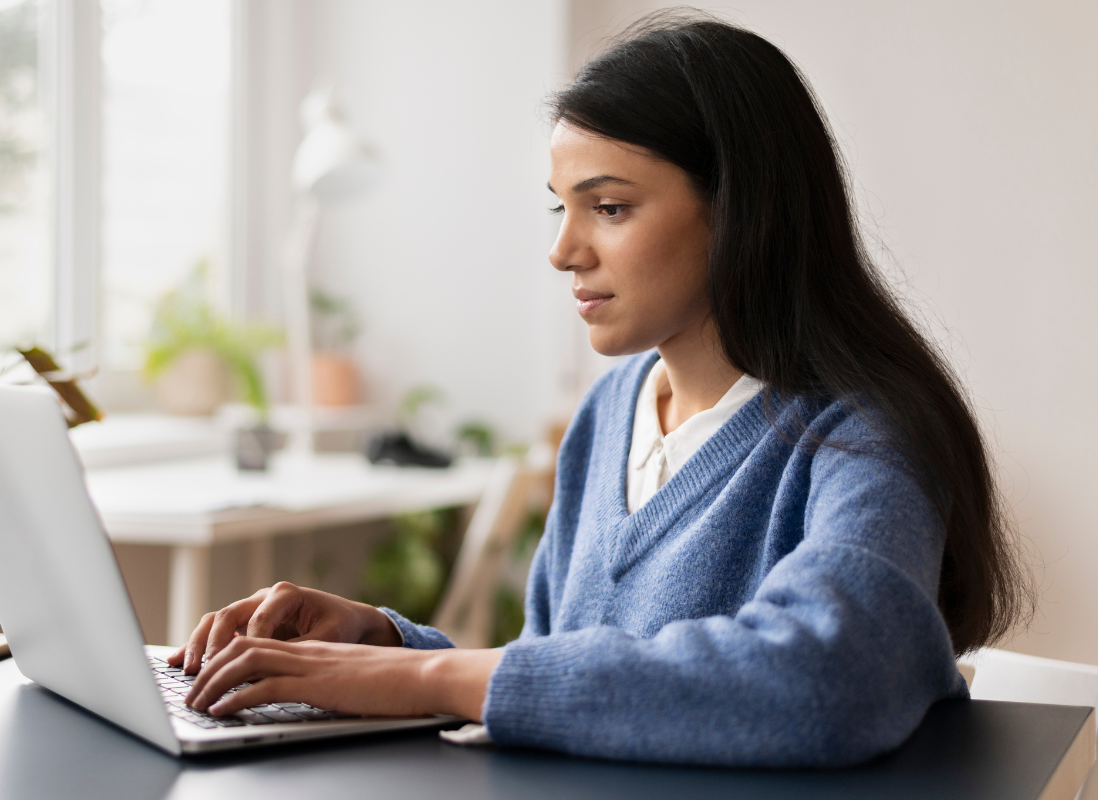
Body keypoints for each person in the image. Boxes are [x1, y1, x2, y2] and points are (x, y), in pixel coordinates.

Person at [168, 11, 1031, 766]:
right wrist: (387, 641)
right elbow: (559, 666)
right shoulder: (608, 415)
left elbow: (828, 681)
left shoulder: (865, 436)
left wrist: (419, 672)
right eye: (561, 208)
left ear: (744, 211)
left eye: (609, 208)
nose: (564, 250)